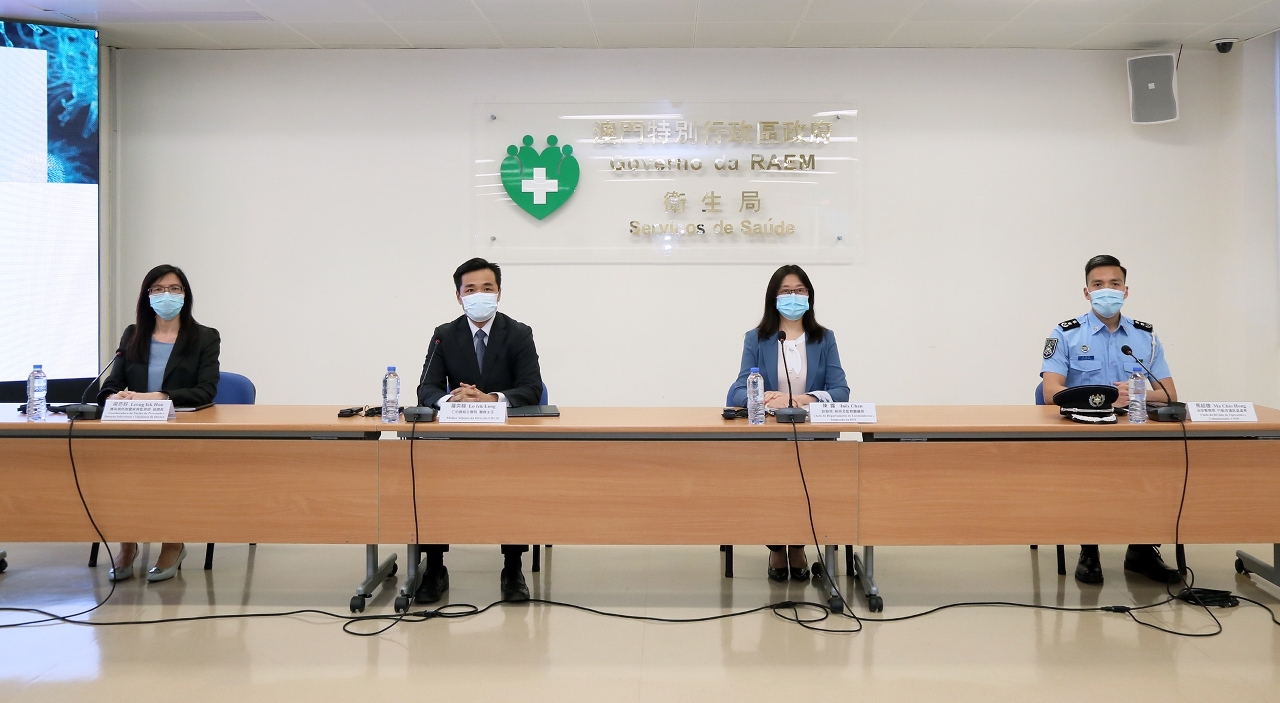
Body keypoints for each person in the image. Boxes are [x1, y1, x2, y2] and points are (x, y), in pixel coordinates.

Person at [1041, 254, 1180, 586]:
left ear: (1125, 291)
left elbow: (1168, 394)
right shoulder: (1064, 334)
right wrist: (1101, 397)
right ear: (1087, 292)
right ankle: (1089, 549)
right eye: (1098, 284)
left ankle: (1142, 550)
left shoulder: (1145, 336)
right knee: (1089, 473)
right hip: (1082, 431)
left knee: (1160, 468)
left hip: (1134, 430)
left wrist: (1137, 394)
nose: (1107, 290)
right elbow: (1050, 392)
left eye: (1114, 284)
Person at [414, 258, 543, 603]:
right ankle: (435, 567)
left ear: (499, 292)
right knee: (430, 479)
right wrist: (452, 399)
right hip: (455, 438)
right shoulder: (444, 335)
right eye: (470, 290)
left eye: (487, 288)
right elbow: (426, 388)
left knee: (515, 481)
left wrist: (490, 398)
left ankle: (512, 567)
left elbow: (531, 388)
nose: (479, 295)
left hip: (505, 439)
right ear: (459, 296)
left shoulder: (519, 333)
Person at [98, 264, 220, 583]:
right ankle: (127, 544)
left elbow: (206, 390)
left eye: (174, 289)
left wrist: (159, 396)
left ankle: (173, 544)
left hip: (180, 432)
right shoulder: (133, 335)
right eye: (158, 289)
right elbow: (112, 383)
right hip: (134, 429)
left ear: (185, 295)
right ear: (147, 296)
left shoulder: (205, 337)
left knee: (171, 472)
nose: (167, 295)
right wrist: (114, 396)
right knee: (116, 470)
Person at [729, 264, 849, 582]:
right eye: (786, 291)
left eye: (799, 291)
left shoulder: (824, 339)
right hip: (769, 437)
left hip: (813, 437)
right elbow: (738, 391)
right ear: (774, 297)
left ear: (809, 296)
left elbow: (841, 391)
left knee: (809, 485)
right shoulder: (757, 339)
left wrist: (803, 399)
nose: (793, 297)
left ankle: (798, 545)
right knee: (771, 486)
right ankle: (776, 547)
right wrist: (765, 396)